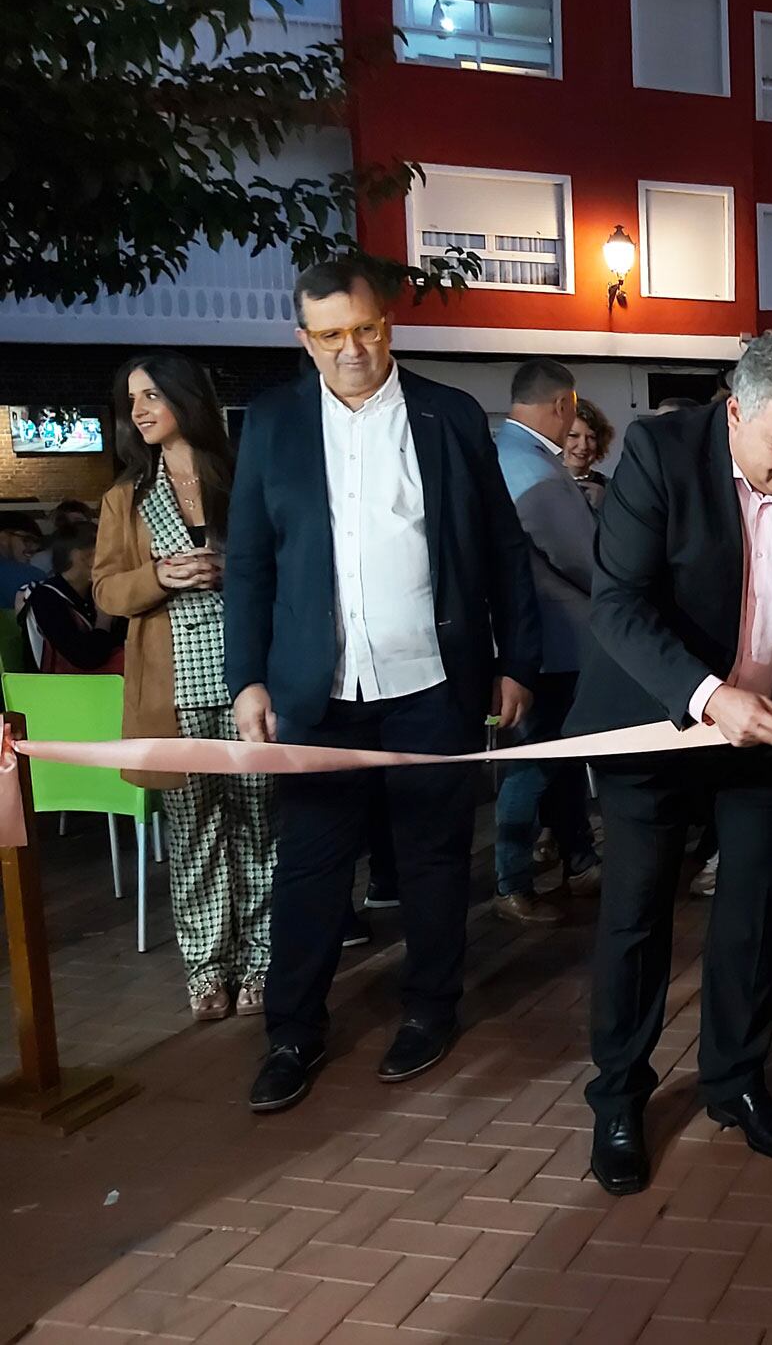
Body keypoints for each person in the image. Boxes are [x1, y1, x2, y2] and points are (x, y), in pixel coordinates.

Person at [569, 328, 772, 1196]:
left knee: (752, 913)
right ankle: (620, 1098)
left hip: (766, 732)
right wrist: (709, 695)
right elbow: (619, 605)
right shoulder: (660, 454)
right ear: (735, 411)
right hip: (657, 725)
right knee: (636, 915)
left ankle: (737, 1081)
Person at [227, 257, 540, 1113]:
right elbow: (251, 562)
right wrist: (247, 676)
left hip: (433, 683)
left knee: (434, 858)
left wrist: (516, 658)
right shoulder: (273, 420)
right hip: (316, 692)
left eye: (366, 328)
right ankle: (293, 1030)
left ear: (387, 325)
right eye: (331, 336)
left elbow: (503, 547)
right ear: (305, 341)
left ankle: (430, 1009)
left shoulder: (448, 414)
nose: (353, 349)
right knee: (312, 866)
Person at [95, 352, 276, 1021]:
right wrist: (158, 579)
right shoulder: (125, 497)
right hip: (171, 691)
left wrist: (231, 569)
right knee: (194, 833)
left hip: (247, 680)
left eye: (150, 394)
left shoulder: (239, 477)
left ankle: (263, 964)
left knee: (260, 825)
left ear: (184, 397)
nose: (138, 408)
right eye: (130, 398)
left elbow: (278, 561)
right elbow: (106, 592)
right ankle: (207, 972)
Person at [491, 357, 601, 927]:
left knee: (558, 754)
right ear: (562, 404)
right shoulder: (529, 464)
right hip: (552, 637)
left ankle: (579, 858)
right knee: (536, 760)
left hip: (538, 636)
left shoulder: (503, 452)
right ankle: (511, 878)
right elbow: (577, 555)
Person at [21, 523, 126, 673]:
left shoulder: (95, 593)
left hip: (101, 684)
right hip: (58, 689)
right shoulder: (46, 597)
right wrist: (104, 621)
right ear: (85, 557)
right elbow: (86, 658)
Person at [563, 398, 613, 512]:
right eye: (573, 435)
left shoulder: (611, 490)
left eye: (591, 437)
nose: (583, 446)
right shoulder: (539, 485)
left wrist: (607, 505)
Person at [0, 512, 45, 606]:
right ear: (3, 537)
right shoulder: (31, 577)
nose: (33, 548)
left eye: (37, 543)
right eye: (26, 539)